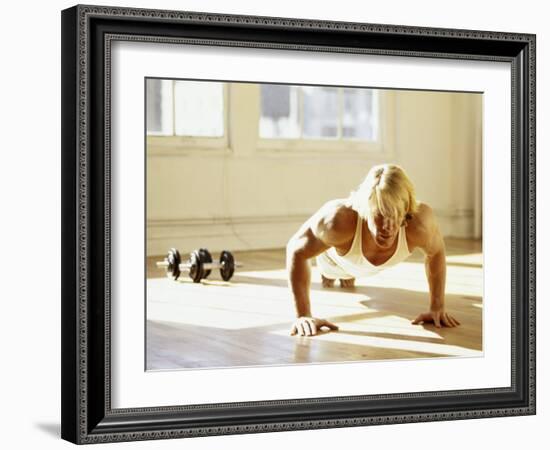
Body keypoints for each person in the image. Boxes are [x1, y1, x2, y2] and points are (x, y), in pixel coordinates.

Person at [286, 163, 460, 337]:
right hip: (334, 262)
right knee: (332, 275)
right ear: (365, 210)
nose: (387, 227)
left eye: (394, 215)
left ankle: (350, 273)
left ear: (406, 213)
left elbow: (436, 252)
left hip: (362, 262)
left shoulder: (420, 224)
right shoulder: (337, 222)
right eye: (379, 215)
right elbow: (296, 250)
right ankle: (334, 273)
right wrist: (302, 315)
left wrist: (437, 307)